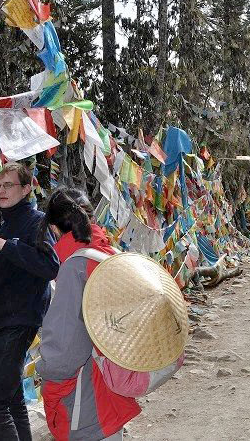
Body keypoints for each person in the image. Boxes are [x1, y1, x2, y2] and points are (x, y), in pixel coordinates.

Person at [37, 187, 186, 440]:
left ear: (54, 229)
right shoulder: (112, 255)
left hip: (86, 396)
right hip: (114, 387)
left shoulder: (75, 267)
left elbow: (64, 351)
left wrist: (47, 373)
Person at [0, 162, 60, 441]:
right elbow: (3, 273)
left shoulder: (37, 222)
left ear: (27, 188)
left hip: (17, 323)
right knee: (12, 400)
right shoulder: (2, 226)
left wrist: (3, 245)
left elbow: (50, 266)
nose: (1, 191)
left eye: (8, 185)